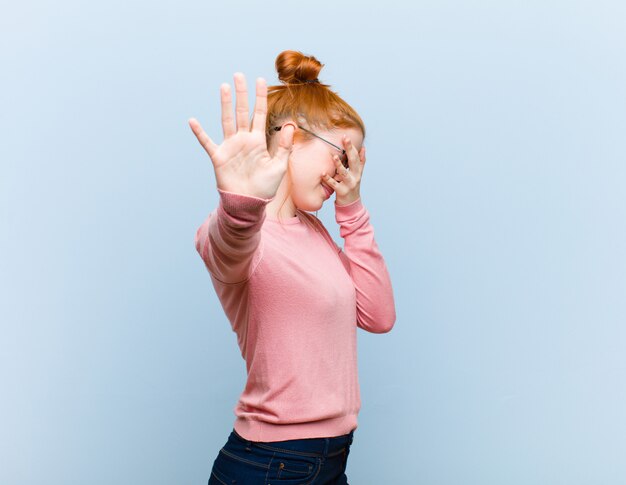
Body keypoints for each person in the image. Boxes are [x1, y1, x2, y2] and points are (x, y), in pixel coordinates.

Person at [189, 50, 396, 485]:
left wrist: (352, 207)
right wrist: (241, 203)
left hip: (329, 460)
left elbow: (378, 317)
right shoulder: (245, 233)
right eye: (342, 154)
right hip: (271, 466)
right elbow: (227, 240)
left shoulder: (315, 231)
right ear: (290, 136)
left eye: (357, 160)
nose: (347, 170)